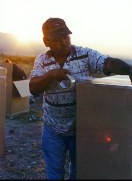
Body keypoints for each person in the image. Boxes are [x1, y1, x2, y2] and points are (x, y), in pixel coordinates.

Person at [29, 17, 132, 180]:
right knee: (55, 173)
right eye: (57, 39)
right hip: (53, 129)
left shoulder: (84, 55)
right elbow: (33, 88)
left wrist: (129, 70)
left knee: (79, 172)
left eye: (66, 36)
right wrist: (50, 75)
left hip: (81, 129)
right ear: (46, 41)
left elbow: (108, 63)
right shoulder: (42, 60)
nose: (64, 42)